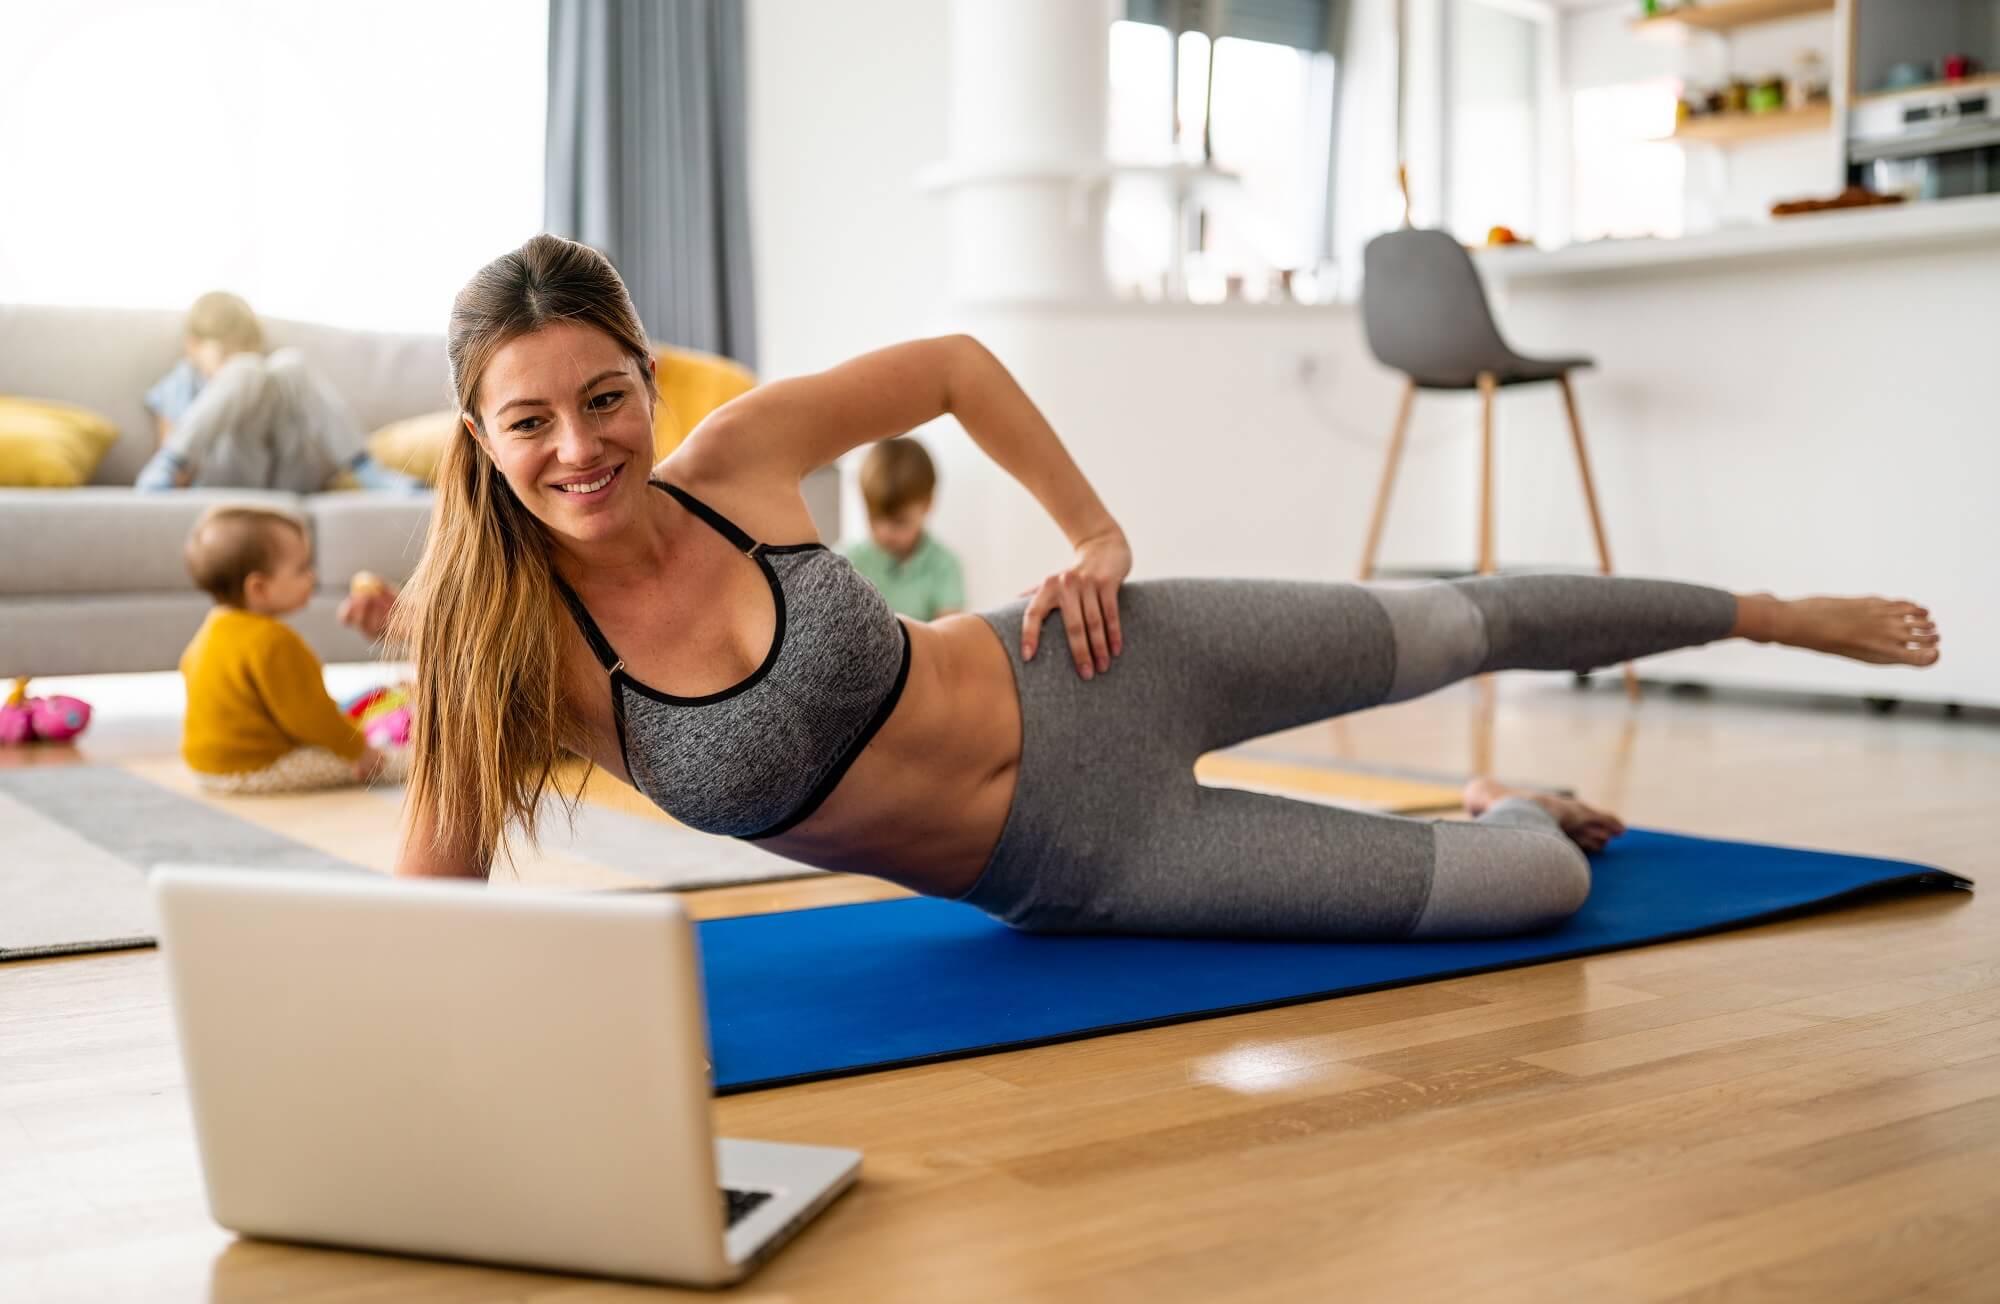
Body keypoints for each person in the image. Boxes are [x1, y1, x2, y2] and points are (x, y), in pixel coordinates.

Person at [383, 234, 1941, 940]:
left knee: (1463, 617)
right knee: (1534, 892)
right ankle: (1501, 806)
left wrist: (1095, 529)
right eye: (531, 418)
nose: (581, 447)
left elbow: (951, 367)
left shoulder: (738, 459)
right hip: (1090, 856)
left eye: (607, 398)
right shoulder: (505, 653)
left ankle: (1761, 610)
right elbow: (427, 907)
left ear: (646, 382)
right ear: (479, 436)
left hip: (1102, 659)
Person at [180, 505, 402, 794]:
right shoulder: (274, 641)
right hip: (259, 766)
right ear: (259, 587)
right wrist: (361, 751)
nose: (312, 576)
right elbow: (312, 718)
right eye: (301, 569)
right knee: (398, 761)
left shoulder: (209, 632)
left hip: (205, 767)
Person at [137, 290, 423, 493]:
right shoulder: (181, 383)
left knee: (290, 364)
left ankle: (365, 470)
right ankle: (169, 461)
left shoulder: (271, 377)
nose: (237, 357)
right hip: (223, 477)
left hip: (286, 477)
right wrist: (172, 468)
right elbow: (172, 451)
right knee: (246, 370)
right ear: (193, 346)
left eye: (245, 349)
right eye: (226, 353)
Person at [842, 435, 965, 620]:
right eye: (874, 518)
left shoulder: (944, 567)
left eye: (899, 521)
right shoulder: (847, 562)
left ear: (927, 504)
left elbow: (949, 636)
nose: (884, 532)